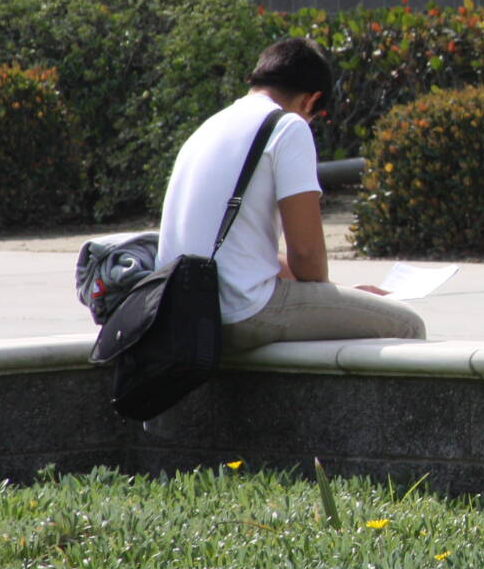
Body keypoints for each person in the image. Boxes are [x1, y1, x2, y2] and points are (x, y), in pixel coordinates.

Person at [157, 38, 425, 353]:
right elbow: (308, 258)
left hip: (183, 311)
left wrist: (342, 295)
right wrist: (332, 298)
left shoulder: (209, 128)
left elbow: (244, 253)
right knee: (407, 323)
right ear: (311, 101)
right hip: (240, 312)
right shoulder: (288, 127)